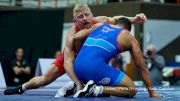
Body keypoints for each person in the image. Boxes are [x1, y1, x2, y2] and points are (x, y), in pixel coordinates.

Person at [4, 3, 147, 96]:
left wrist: (134, 19)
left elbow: (117, 19)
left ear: (92, 14)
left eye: (87, 15)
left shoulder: (100, 21)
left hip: (91, 58)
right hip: (74, 57)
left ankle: (82, 87)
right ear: (75, 20)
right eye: (80, 17)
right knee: (44, 79)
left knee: (104, 87)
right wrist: (78, 83)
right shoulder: (72, 35)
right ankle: (22, 87)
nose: (85, 19)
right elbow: (68, 63)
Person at [72, 18, 163, 97]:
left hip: (77, 68)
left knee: (106, 92)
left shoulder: (99, 26)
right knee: (131, 89)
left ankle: (77, 86)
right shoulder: (126, 35)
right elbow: (141, 66)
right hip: (94, 69)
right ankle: (94, 89)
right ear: (128, 30)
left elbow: (76, 38)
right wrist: (152, 93)